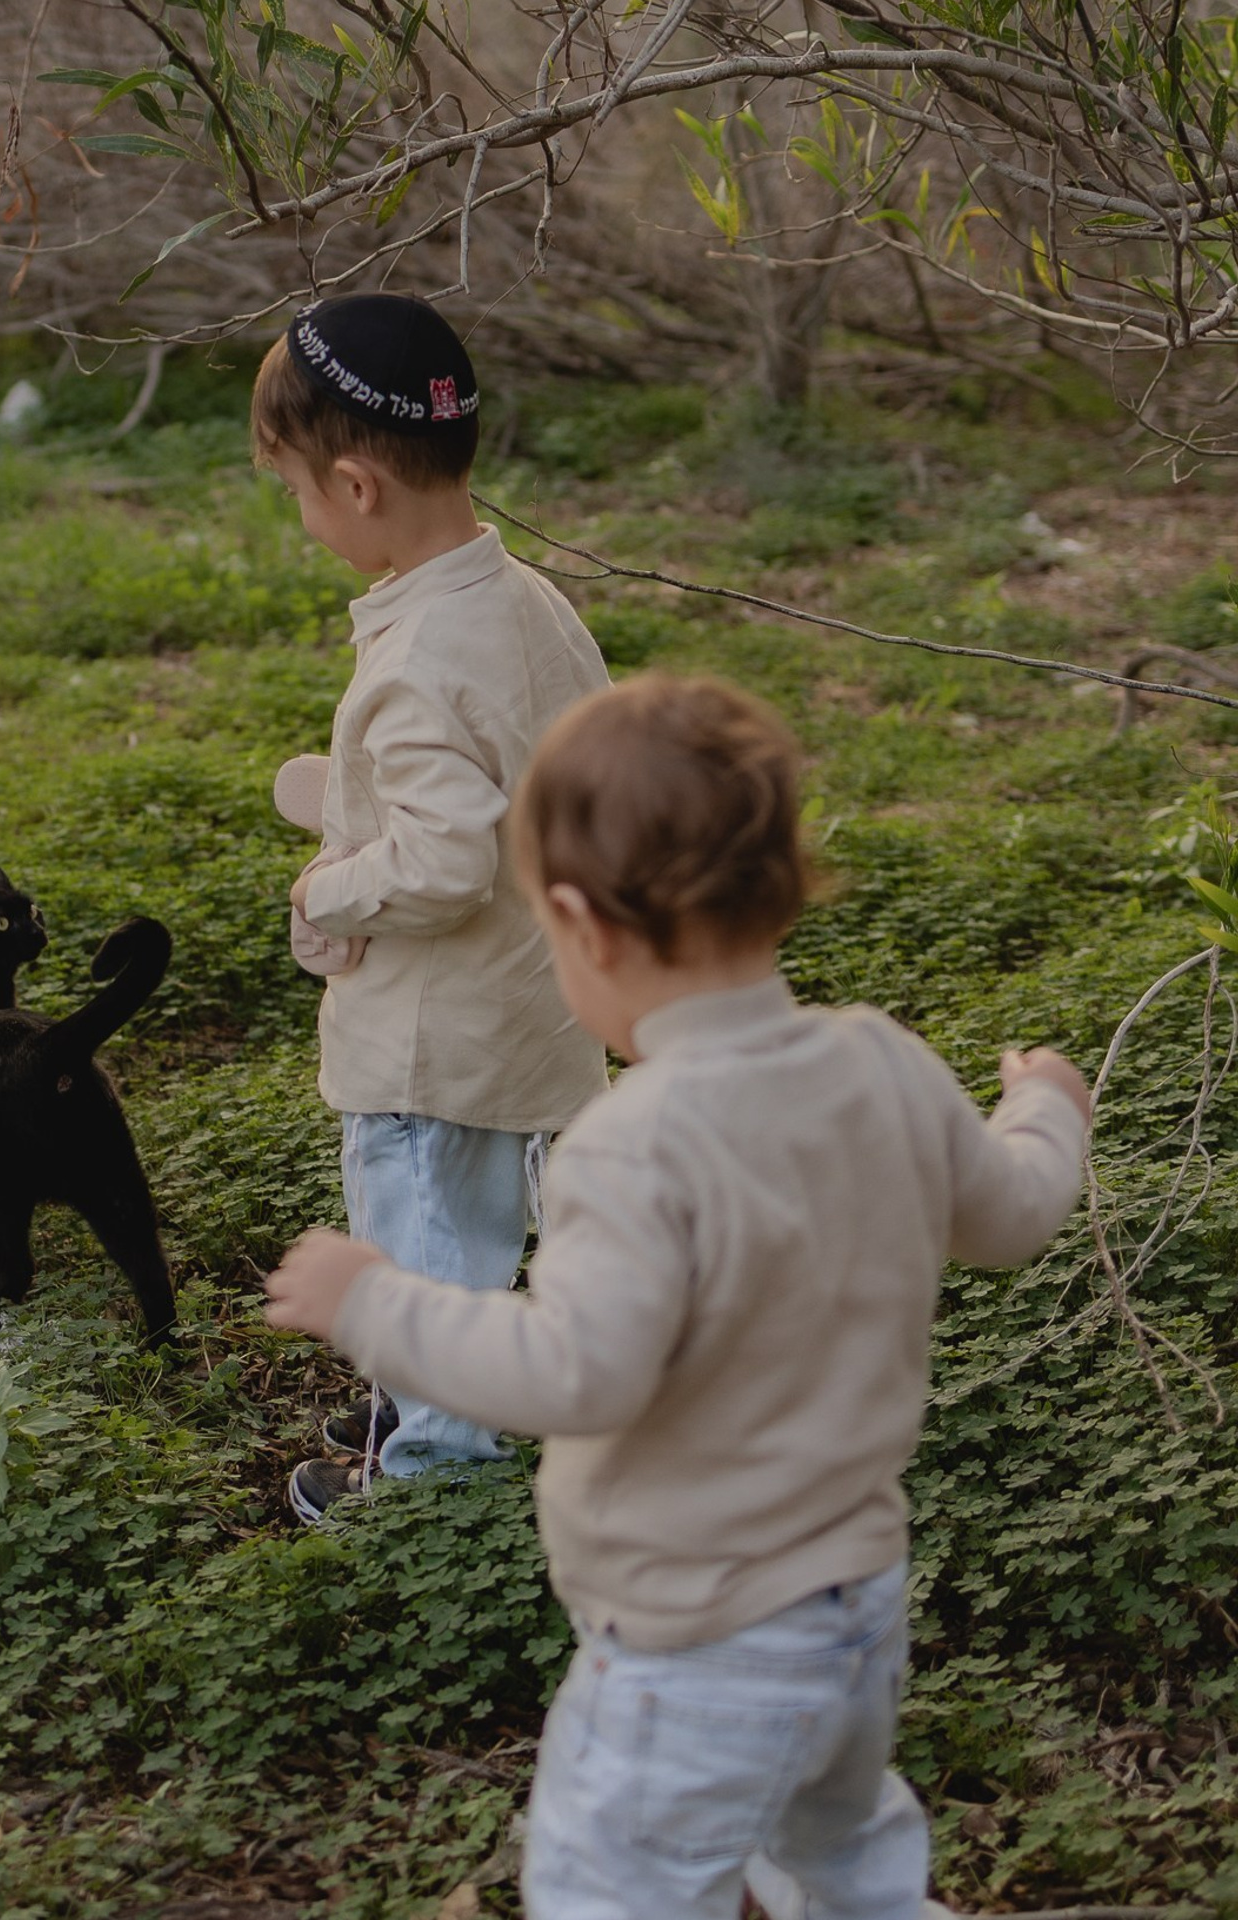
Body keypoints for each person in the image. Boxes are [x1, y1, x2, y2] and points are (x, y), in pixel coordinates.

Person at [264, 673, 1091, 1919]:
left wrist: (377, 1302)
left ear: (583, 928)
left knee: (611, 1890)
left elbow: (576, 1372)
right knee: (846, 1871)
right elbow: (1017, 1215)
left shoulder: (635, 1139)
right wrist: (1046, 1108)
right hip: (855, 1613)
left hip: (699, 1641)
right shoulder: (886, 1064)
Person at [254, 291, 611, 1522]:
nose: (301, 517)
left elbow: (448, 857)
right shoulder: (531, 606)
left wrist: (327, 884)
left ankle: (431, 1483)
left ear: (356, 488)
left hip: (427, 1042)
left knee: (421, 1250)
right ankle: (440, 1403)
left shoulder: (414, 662)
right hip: (529, 1010)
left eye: (296, 492)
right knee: (472, 1228)